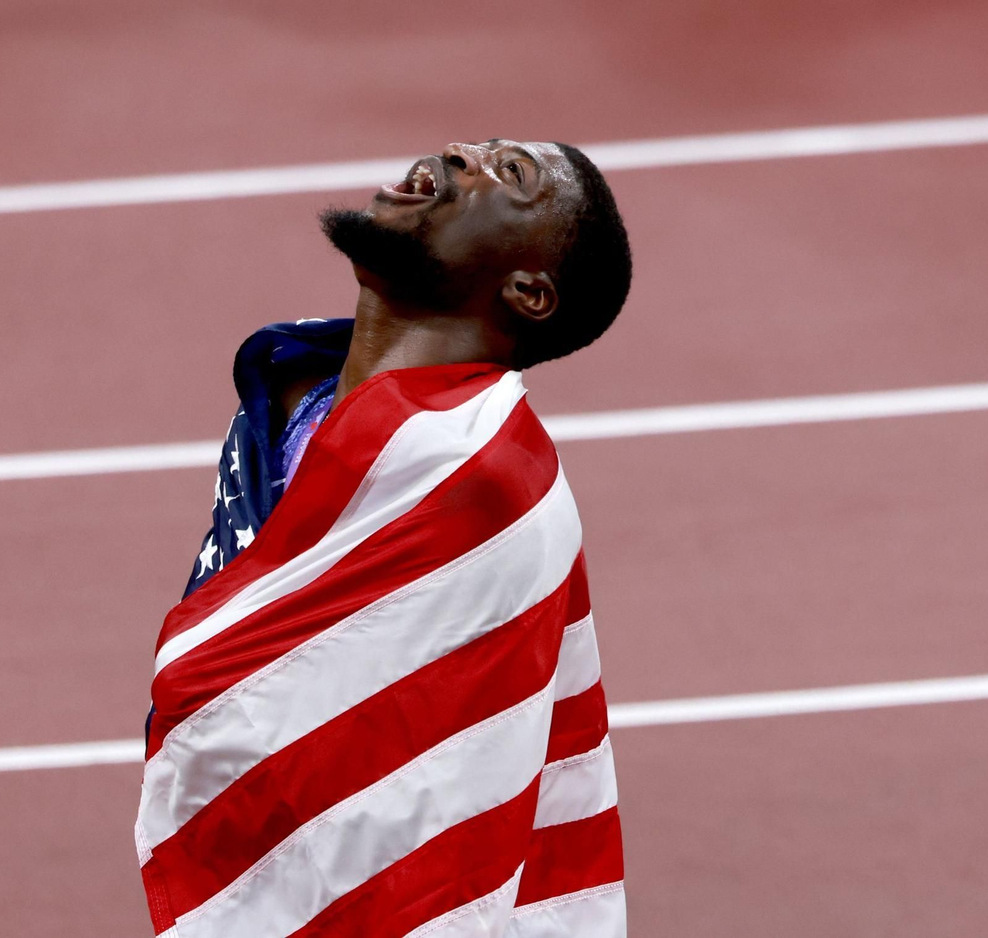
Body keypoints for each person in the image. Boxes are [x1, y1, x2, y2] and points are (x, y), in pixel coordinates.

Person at [136, 140, 632, 938]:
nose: (461, 153)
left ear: (528, 290)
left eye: (509, 175)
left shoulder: (477, 470)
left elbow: (424, 786)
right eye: (479, 145)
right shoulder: (294, 387)